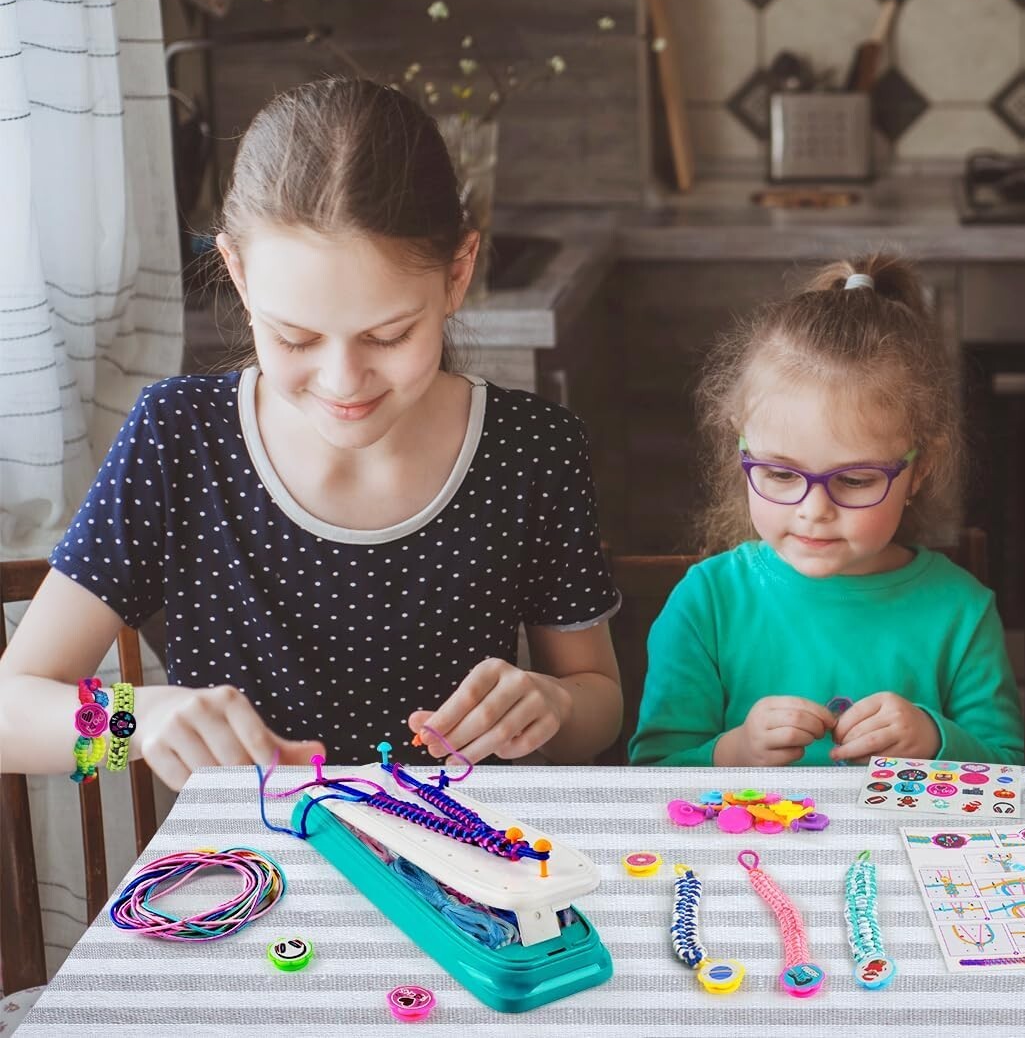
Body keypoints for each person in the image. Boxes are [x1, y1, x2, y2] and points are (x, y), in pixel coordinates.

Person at [0, 78, 622, 791]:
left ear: (457, 274)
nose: (342, 379)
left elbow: (597, 700)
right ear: (236, 272)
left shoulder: (530, 448)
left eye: (388, 336)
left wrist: (555, 705)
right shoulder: (179, 438)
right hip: (250, 878)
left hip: (464, 867)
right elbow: (10, 715)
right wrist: (139, 723)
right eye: (294, 337)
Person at [629, 253, 1024, 768]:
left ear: (920, 468)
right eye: (781, 474)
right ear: (741, 451)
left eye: (856, 480)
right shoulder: (706, 605)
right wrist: (736, 750)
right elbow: (651, 775)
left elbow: (1012, 776)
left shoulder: (962, 613)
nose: (814, 510)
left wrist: (934, 740)